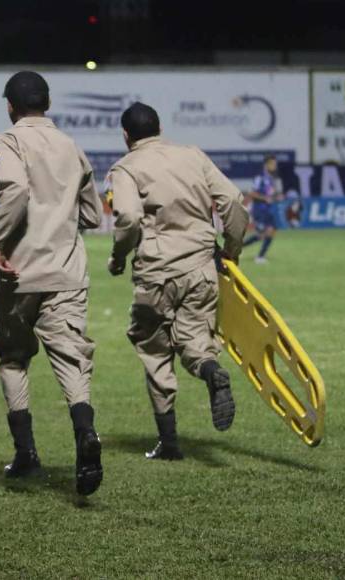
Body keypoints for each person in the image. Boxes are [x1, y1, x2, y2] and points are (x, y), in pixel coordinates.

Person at [107, 102, 248, 460]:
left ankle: (169, 442)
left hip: (156, 271)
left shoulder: (126, 167)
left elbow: (127, 218)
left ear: (126, 135)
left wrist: (119, 257)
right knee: (195, 339)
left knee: (154, 349)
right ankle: (210, 369)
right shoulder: (192, 155)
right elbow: (231, 200)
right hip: (201, 267)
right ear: (160, 127)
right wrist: (230, 250)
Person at [0, 71, 104, 495]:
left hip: (20, 273)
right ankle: (85, 432)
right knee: (72, 358)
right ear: (48, 104)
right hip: (68, 271)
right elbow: (93, 215)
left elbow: (15, 188)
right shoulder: (72, 147)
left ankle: (26, 454)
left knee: (13, 358)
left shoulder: (8, 142)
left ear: (11, 106)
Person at [242, 155, 282, 264]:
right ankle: (242, 249)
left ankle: (259, 256)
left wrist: (276, 197)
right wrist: (265, 198)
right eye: (273, 164)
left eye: (275, 164)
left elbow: (269, 194)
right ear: (266, 164)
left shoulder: (270, 178)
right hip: (259, 209)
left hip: (267, 210)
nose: (275, 166)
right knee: (262, 234)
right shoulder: (260, 177)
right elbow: (251, 193)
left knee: (271, 231)